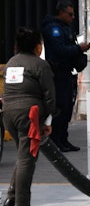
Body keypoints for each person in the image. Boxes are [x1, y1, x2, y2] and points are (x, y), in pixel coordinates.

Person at [2, 27, 57, 206]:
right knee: (27, 160)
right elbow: (49, 97)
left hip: (8, 115)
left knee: (22, 154)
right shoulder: (40, 65)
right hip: (29, 116)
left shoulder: (11, 63)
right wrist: (48, 120)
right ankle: (21, 202)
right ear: (38, 47)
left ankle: (11, 195)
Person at [41, 0, 90, 152]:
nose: (72, 17)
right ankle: (56, 141)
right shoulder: (53, 29)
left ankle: (63, 139)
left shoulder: (64, 28)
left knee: (68, 108)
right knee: (60, 108)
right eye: (70, 14)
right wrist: (78, 48)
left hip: (67, 73)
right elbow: (59, 50)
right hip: (57, 74)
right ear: (61, 13)